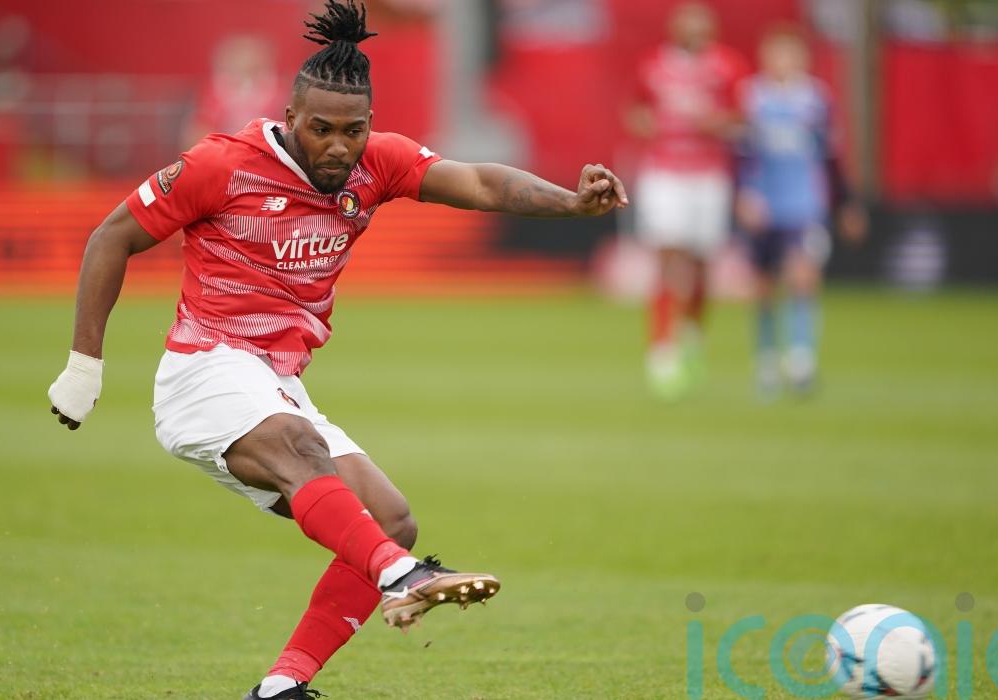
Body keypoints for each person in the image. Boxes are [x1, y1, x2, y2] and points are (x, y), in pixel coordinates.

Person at [46, 2, 627, 698]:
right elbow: (111, 236)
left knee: (391, 519)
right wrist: (84, 365)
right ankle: (403, 577)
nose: (337, 147)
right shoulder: (221, 165)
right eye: (320, 129)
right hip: (205, 368)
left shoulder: (377, 162)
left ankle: (281, 686)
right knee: (304, 452)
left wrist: (571, 203)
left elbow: (478, 182)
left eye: (353, 132)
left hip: (277, 382)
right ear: (290, 116)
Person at [623, 1, 746, 399]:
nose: (694, 29)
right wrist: (646, 123)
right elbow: (635, 112)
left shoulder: (727, 66)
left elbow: (742, 119)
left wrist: (714, 123)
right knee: (666, 256)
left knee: (701, 264)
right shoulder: (653, 66)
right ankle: (661, 352)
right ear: (675, 26)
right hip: (665, 172)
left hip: (708, 174)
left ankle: (692, 336)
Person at [734, 24, 865, 396]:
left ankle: (801, 360)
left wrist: (846, 203)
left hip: (804, 204)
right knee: (762, 287)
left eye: (790, 54)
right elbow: (739, 154)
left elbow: (832, 157)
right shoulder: (751, 98)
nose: (783, 61)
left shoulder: (815, 100)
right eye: (776, 53)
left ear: (802, 58)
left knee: (803, 277)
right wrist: (744, 195)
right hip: (763, 205)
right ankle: (766, 362)